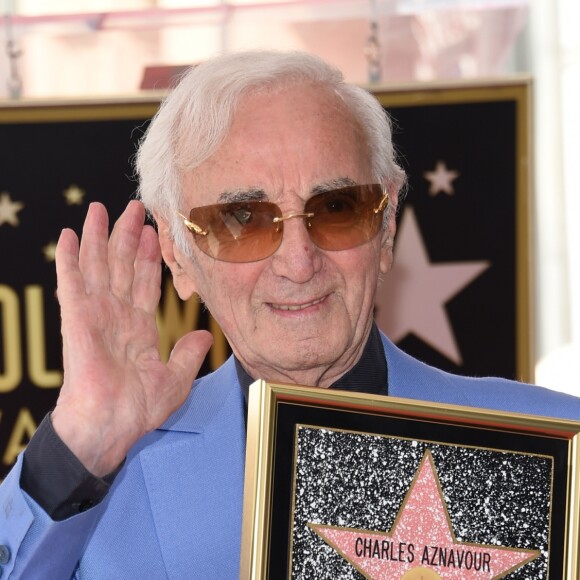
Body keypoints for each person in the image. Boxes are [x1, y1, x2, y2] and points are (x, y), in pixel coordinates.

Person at [0, 50, 579, 579]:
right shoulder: (92, 480)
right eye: (242, 220)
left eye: (336, 207)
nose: (299, 262)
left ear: (387, 226)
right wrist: (81, 444)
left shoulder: (559, 457)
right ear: (177, 252)